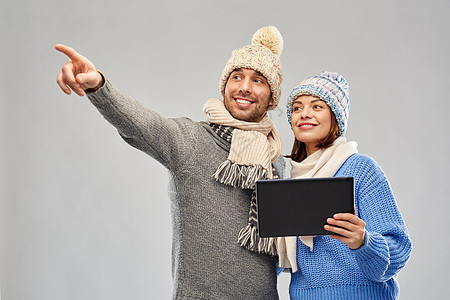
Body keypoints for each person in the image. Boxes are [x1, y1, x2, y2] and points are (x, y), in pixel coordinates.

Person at [55, 26, 285, 299]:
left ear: (272, 99)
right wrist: (98, 86)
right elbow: (142, 124)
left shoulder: (275, 163)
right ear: (225, 86)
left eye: (258, 80)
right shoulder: (192, 140)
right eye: (237, 76)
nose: (245, 87)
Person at [277, 71, 412, 299]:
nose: (304, 114)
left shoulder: (360, 170)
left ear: (335, 118)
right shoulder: (287, 181)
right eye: (297, 108)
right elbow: (270, 262)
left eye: (317, 106)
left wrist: (363, 241)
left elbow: (399, 249)